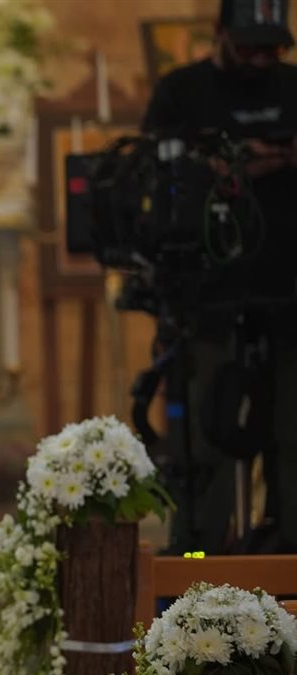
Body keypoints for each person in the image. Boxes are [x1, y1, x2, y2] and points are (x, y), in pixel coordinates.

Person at [141, 0, 297, 555]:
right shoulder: (182, 93)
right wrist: (219, 167)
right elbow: (153, 175)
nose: (261, 60)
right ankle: (196, 566)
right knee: (208, 440)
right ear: (221, 34)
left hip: (289, 294)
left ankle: (289, 562)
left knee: (291, 434)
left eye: (272, 49)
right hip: (207, 298)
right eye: (249, 47)